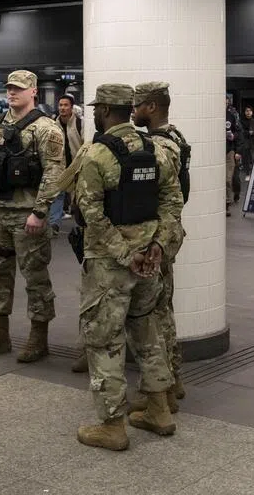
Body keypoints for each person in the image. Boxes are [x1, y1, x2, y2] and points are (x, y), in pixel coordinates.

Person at [71, 84, 182, 451]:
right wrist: (158, 246)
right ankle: (158, 410)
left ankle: (113, 426)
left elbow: (92, 215)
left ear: (103, 111)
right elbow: (172, 202)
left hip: (110, 266)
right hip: (150, 260)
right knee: (147, 331)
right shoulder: (155, 150)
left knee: (104, 341)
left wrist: (123, 253)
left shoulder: (96, 155)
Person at [0, 70, 66, 363]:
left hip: (27, 217)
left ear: (33, 91)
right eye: (9, 88)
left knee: (35, 276)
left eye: (18, 89)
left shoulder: (46, 129)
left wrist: (40, 211)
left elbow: (54, 173)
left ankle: (39, 337)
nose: (12, 93)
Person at [129, 81, 191, 405]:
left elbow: (163, 196)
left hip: (157, 236)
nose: (133, 110)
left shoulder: (158, 146)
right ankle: (175, 380)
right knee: (164, 308)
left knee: (155, 314)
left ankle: (162, 389)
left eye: (138, 104)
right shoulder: (176, 136)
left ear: (152, 107)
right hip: (167, 235)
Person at [49, 93, 84, 233]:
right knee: (57, 194)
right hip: (60, 166)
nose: (62, 108)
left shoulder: (79, 123)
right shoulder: (53, 125)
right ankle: (54, 224)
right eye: (61, 105)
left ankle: (82, 224)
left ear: (72, 108)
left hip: (77, 166)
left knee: (79, 196)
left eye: (66, 105)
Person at [225, 95, 243, 214]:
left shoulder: (231, 116)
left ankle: (226, 204)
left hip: (228, 150)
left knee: (227, 178)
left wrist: (238, 151)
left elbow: (238, 132)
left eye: (226, 103)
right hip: (214, 151)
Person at [240, 105, 254, 172]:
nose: (248, 112)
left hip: (253, 143)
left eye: (250, 111)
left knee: (253, 158)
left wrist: (253, 132)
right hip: (244, 142)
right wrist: (247, 133)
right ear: (244, 112)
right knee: (245, 158)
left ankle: (253, 171)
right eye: (247, 111)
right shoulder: (241, 121)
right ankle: (246, 172)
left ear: (252, 112)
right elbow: (240, 132)